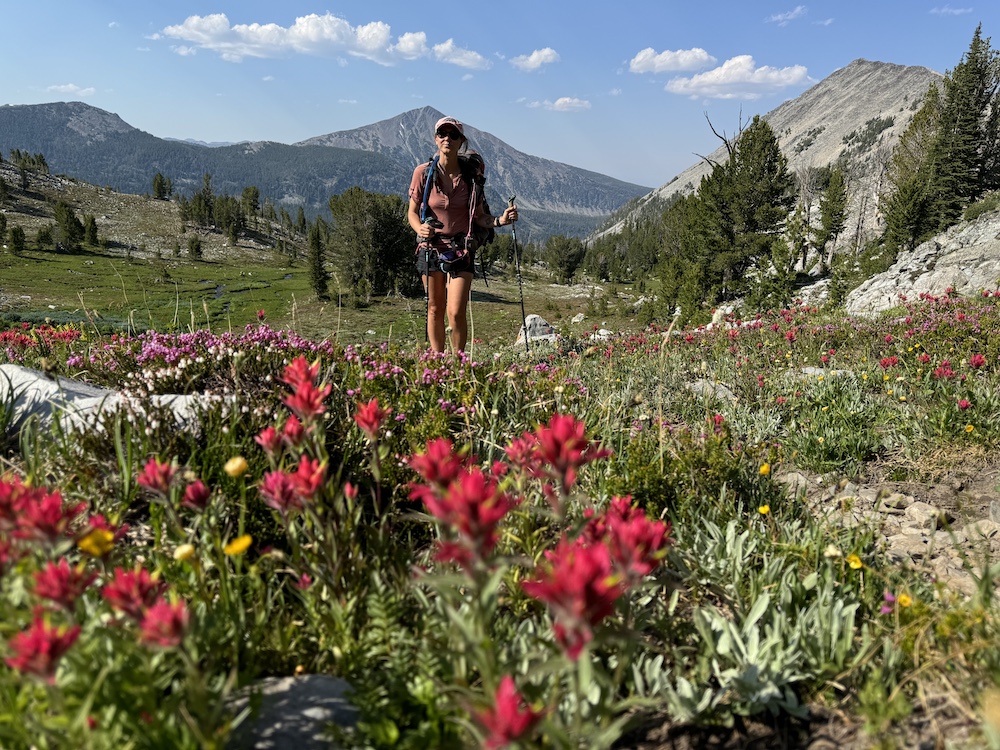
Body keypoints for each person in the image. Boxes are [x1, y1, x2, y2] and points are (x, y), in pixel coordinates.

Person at [408, 116, 517, 353]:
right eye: (442, 134)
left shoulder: (471, 178)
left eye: (453, 135)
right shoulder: (422, 173)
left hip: (461, 249)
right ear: (436, 139)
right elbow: (412, 213)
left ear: (461, 141)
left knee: (455, 312)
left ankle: (458, 364)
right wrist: (420, 229)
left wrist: (500, 221)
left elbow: (479, 217)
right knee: (434, 309)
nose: (447, 138)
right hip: (431, 249)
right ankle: (437, 362)